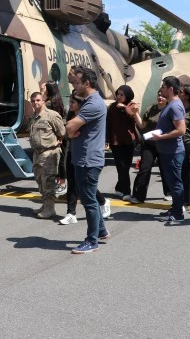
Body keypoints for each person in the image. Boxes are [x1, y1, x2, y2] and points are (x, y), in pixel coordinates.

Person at [66, 67, 110, 254]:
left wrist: (71, 130)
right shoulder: (90, 101)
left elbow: (69, 126)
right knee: (90, 198)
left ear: (87, 84)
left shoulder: (93, 104)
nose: (74, 87)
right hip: (85, 158)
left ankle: (91, 241)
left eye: (77, 83)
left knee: (89, 201)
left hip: (88, 160)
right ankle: (101, 230)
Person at [60, 92, 111, 225]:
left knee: (85, 185)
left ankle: (102, 201)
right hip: (72, 152)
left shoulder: (86, 117)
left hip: (85, 155)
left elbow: (74, 133)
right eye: (69, 102)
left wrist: (70, 133)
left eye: (73, 102)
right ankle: (71, 213)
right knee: (72, 182)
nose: (70, 105)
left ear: (80, 104)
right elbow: (68, 133)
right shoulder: (71, 115)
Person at [151, 76, 186, 223]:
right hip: (167, 151)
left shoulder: (175, 106)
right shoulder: (170, 104)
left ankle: (178, 214)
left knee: (175, 183)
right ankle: (175, 208)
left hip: (173, 151)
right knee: (172, 183)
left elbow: (181, 130)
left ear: (171, 89)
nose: (161, 90)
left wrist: (161, 137)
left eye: (164, 87)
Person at [29, 91, 65, 219]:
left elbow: (61, 131)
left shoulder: (51, 115)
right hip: (37, 153)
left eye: (38, 100)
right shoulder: (33, 116)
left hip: (49, 152)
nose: (35, 103)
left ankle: (50, 208)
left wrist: (57, 142)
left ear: (43, 101)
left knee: (48, 181)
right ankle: (45, 205)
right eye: (33, 101)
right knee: (40, 180)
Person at [129, 89, 169, 203]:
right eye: (159, 95)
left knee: (165, 169)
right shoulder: (150, 109)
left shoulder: (170, 109)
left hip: (163, 143)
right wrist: (135, 113)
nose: (160, 97)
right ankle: (138, 195)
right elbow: (142, 125)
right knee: (144, 168)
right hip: (149, 144)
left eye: (163, 96)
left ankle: (169, 192)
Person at [106, 85, 136, 200]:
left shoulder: (131, 105)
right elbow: (108, 123)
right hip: (116, 142)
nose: (119, 96)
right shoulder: (112, 107)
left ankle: (120, 187)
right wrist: (107, 139)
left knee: (126, 167)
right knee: (121, 166)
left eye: (122, 95)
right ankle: (126, 191)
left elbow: (133, 117)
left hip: (129, 141)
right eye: (118, 94)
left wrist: (124, 108)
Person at [41, 81, 67, 197]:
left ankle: (61, 183)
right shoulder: (58, 100)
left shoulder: (49, 103)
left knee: (58, 159)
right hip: (60, 133)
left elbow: (39, 109)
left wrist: (41, 94)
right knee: (61, 158)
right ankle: (61, 182)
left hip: (55, 135)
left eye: (44, 88)